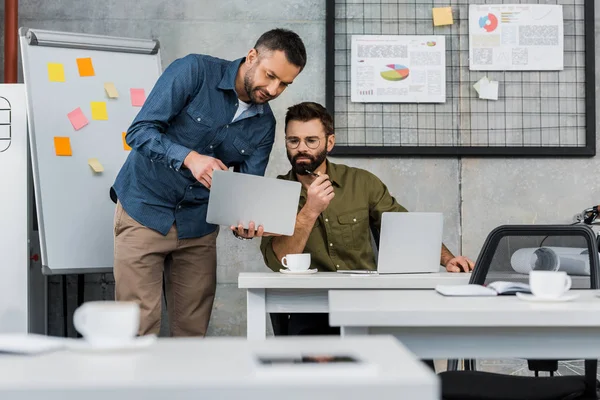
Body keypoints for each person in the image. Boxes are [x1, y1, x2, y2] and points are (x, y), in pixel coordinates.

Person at [112, 29, 307, 337]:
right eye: (270, 76)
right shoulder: (194, 71)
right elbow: (140, 132)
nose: (273, 89)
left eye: (284, 83)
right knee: (136, 328)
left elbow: (245, 194)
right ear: (252, 56)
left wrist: (246, 224)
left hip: (198, 229)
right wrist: (190, 157)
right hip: (144, 210)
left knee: (192, 333)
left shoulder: (264, 126)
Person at [260, 101, 475, 336]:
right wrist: (310, 210)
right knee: (320, 357)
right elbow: (277, 260)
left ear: (329, 142)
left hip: (366, 299)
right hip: (309, 304)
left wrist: (448, 260)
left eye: (311, 140)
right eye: (294, 141)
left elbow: (406, 229)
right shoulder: (275, 191)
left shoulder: (361, 182)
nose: (302, 148)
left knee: (413, 348)